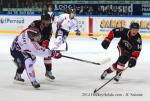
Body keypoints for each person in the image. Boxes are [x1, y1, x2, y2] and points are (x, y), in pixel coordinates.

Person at [28, 13, 62, 80]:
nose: (48, 22)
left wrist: (45, 46)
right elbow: (28, 32)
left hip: (40, 42)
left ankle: (48, 72)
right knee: (28, 59)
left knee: (47, 55)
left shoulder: (49, 26)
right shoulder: (35, 23)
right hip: (31, 43)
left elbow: (47, 38)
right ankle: (19, 72)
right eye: (47, 20)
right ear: (42, 20)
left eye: (49, 20)